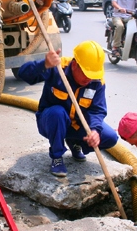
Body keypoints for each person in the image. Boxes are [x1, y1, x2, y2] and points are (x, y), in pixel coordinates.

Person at [18, 41, 118, 177]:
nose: (89, 79)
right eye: (86, 73)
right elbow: (23, 74)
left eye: (92, 75)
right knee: (57, 113)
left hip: (76, 124)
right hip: (51, 121)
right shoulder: (58, 68)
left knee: (109, 137)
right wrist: (44, 64)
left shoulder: (97, 81)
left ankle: (75, 142)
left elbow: (97, 110)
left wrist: (94, 130)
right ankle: (57, 156)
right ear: (75, 65)